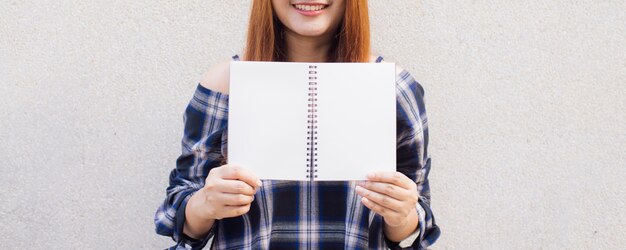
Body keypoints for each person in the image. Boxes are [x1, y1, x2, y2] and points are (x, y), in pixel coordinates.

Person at [154, 0, 440, 249]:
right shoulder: (224, 86)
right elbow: (177, 216)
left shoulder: (393, 88)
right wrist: (204, 204)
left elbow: (416, 224)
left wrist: (401, 213)